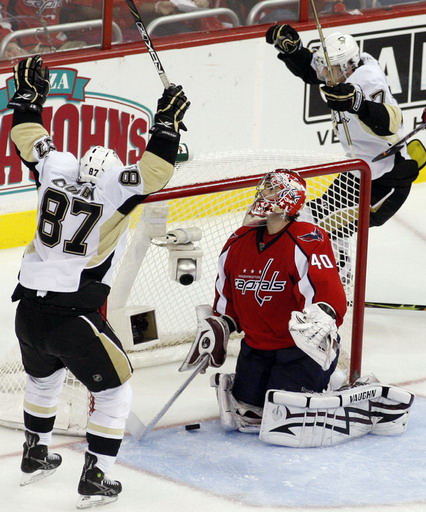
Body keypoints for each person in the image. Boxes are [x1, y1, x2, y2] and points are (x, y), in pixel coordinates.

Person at [8, 55, 189, 508]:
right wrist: (166, 125)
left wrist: (29, 99)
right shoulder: (114, 186)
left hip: (27, 309)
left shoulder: (56, 169)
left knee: (43, 378)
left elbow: (29, 139)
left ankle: (34, 453)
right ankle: (97, 476)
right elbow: (154, 172)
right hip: (72, 315)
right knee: (116, 389)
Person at [179, 170, 414, 447]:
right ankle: (321, 383)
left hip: (299, 350)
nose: (261, 195)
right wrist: (220, 326)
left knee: (287, 414)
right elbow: (226, 299)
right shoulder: (237, 241)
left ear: (286, 199)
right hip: (256, 347)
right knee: (248, 412)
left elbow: (328, 296)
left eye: (269, 190)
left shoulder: (307, 238)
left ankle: (342, 387)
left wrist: (322, 315)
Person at [264, 25, 419, 236]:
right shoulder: (345, 70)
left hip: (386, 181)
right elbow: (312, 72)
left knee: (316, 228)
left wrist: (358, 104)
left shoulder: (368, 80)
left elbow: (392, 123)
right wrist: (294, 50)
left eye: (330, 69)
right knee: (312, 219)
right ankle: (335, 265)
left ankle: (335, 266)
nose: (325, 74)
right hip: (358, 171)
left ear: (348, 66)